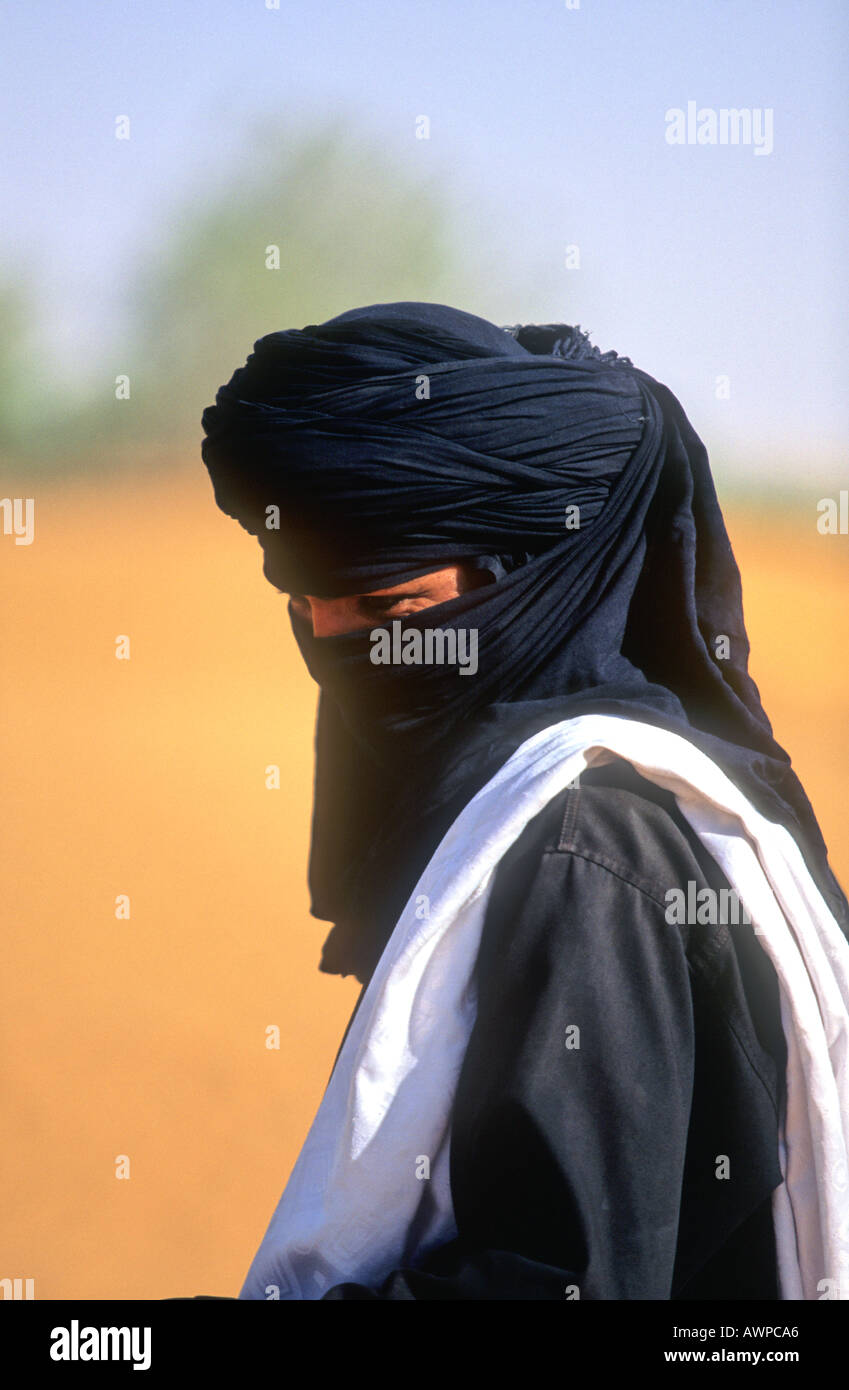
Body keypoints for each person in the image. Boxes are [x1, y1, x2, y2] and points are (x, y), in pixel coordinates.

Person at [200, 301, 849, 1301]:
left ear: (533, 579)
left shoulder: (585, 844)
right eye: (303, 608)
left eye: (390, 609)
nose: (340, 650)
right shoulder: (548, 815)